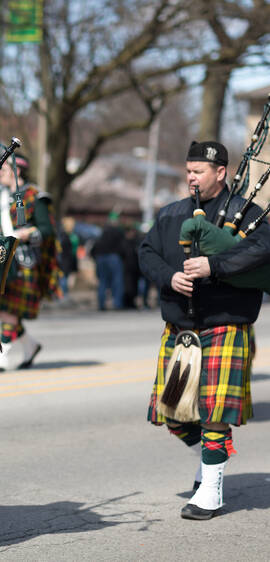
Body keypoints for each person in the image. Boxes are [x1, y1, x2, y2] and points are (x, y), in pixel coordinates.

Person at [139, 140, 270, 520]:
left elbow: (262, 249)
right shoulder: (171, 213)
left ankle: (210, 489)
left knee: (213, 412)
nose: (191, 178)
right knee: (176, 416)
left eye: (198, 171)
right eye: (189, 170)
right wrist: (170, 277)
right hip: (181, 327)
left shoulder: (248, 215)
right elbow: (146, 252)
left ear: (220, 173)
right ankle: (211, 459)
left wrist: (215, 266)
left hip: (225, 324)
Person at [0, 154, 63, 370]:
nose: (1, 175)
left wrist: (30, 232)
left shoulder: (34, 196)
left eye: (5, 171)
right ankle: (30, 345)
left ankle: (1, 355)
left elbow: (47, 230)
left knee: (11, 308)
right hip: (0, 258)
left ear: (17, 172)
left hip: (25, 261)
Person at [91, 212, 125, 310]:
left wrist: (95, 257)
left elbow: (94, 247)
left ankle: (101, 304)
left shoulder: (102, 232)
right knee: (117, 281)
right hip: (113, 257)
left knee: (102, 281)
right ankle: (117, 304)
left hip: (100, 257)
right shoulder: (118, 232)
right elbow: (123, 246)